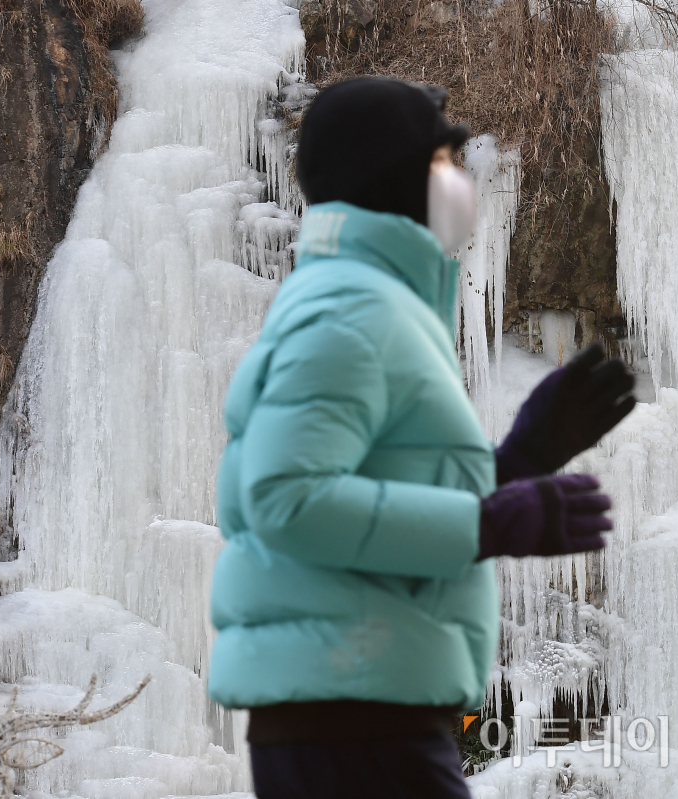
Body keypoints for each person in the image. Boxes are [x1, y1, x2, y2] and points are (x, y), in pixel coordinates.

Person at [206, 77, 636, 799]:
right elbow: (288, 500)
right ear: (395, 174)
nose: (464, 180)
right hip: (351, 719)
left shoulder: (377, 304)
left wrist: (522, 459)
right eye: (447, 160)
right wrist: (486, 521)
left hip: (369, 708)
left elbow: (385, 513)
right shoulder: (346, 307)